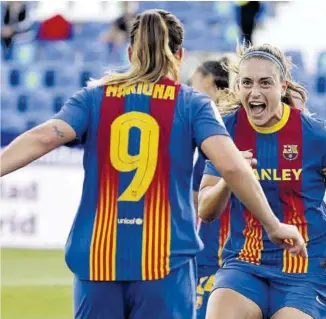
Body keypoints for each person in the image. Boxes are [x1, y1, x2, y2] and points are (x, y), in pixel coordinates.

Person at [0, 10, 307, 319]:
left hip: (97, 258)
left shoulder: (93, 98)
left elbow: (43, 137)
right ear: (179, 55)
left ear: (131, 52)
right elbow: (233, 167)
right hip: (164, 262)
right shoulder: (191, 104)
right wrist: (273, 224)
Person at [199, 43, 326, 319]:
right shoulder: (225, 131)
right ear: (237, 86)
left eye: (265, 83)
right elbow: (206, 211)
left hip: (307, 266)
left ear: (283, 86)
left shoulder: (314, 135)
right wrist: (231, 176)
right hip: (246, 261)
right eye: (247, 83)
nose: (255, 92)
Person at [188, 57, 233, 319]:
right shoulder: (235, 124)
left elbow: (197, 198)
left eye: (193, 83)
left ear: (207, 82)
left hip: (214, 240)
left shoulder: (213, 128)